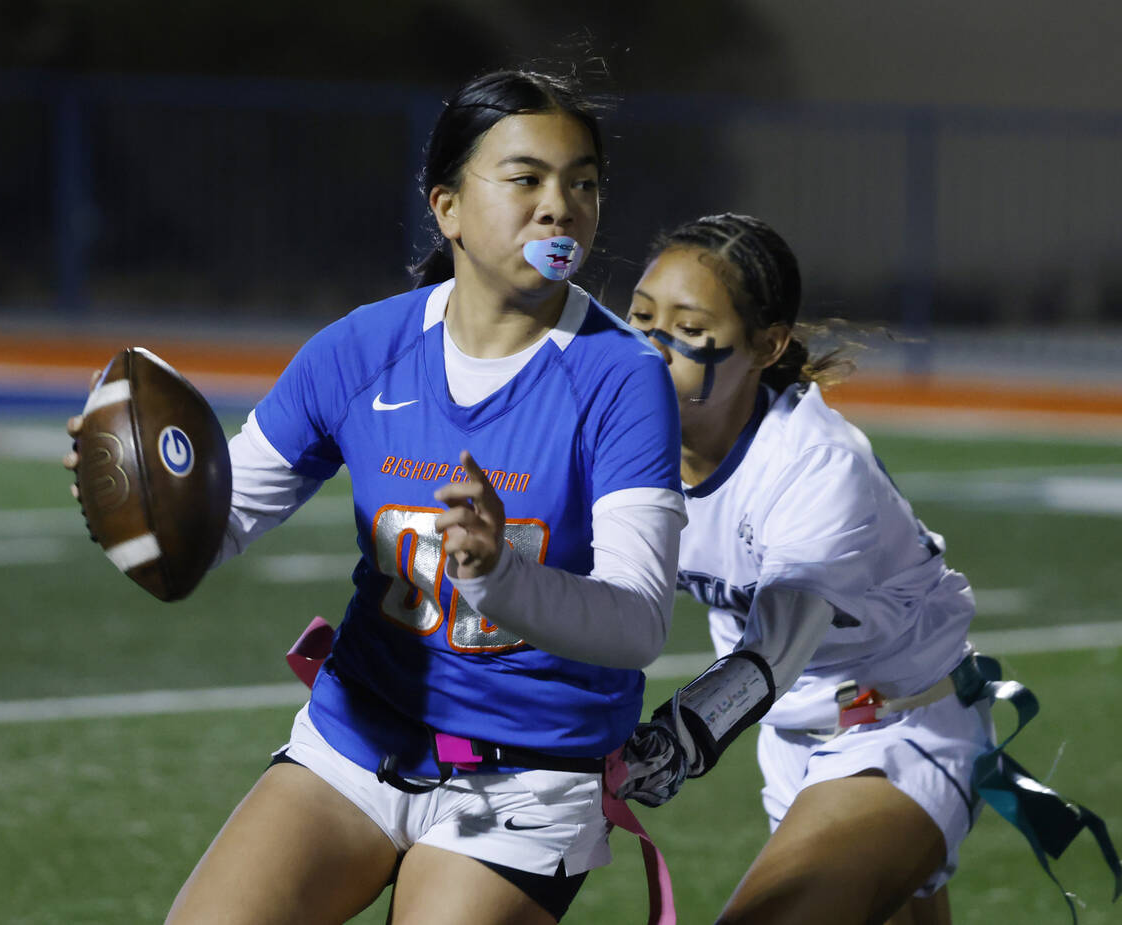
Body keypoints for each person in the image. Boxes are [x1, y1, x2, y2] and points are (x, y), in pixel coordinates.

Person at [67, 69, 686, 925]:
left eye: (582, 183)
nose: (560, 206)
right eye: (526, 178)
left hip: (526, 781)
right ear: (448, 208)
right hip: (356, 743)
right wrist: (137, 505)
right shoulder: (360, 349)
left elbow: (638, 623)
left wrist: (500, 577)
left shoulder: (623, 377)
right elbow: (219, 522)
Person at [617, 213, 996, 925]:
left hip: (899, 723)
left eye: (689, 325)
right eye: (640, 316)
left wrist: (676, 738)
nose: (650, 345)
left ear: (767, 344)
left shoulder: (814, 462)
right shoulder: (623, 435)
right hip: (788, 740)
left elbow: (776, 647)